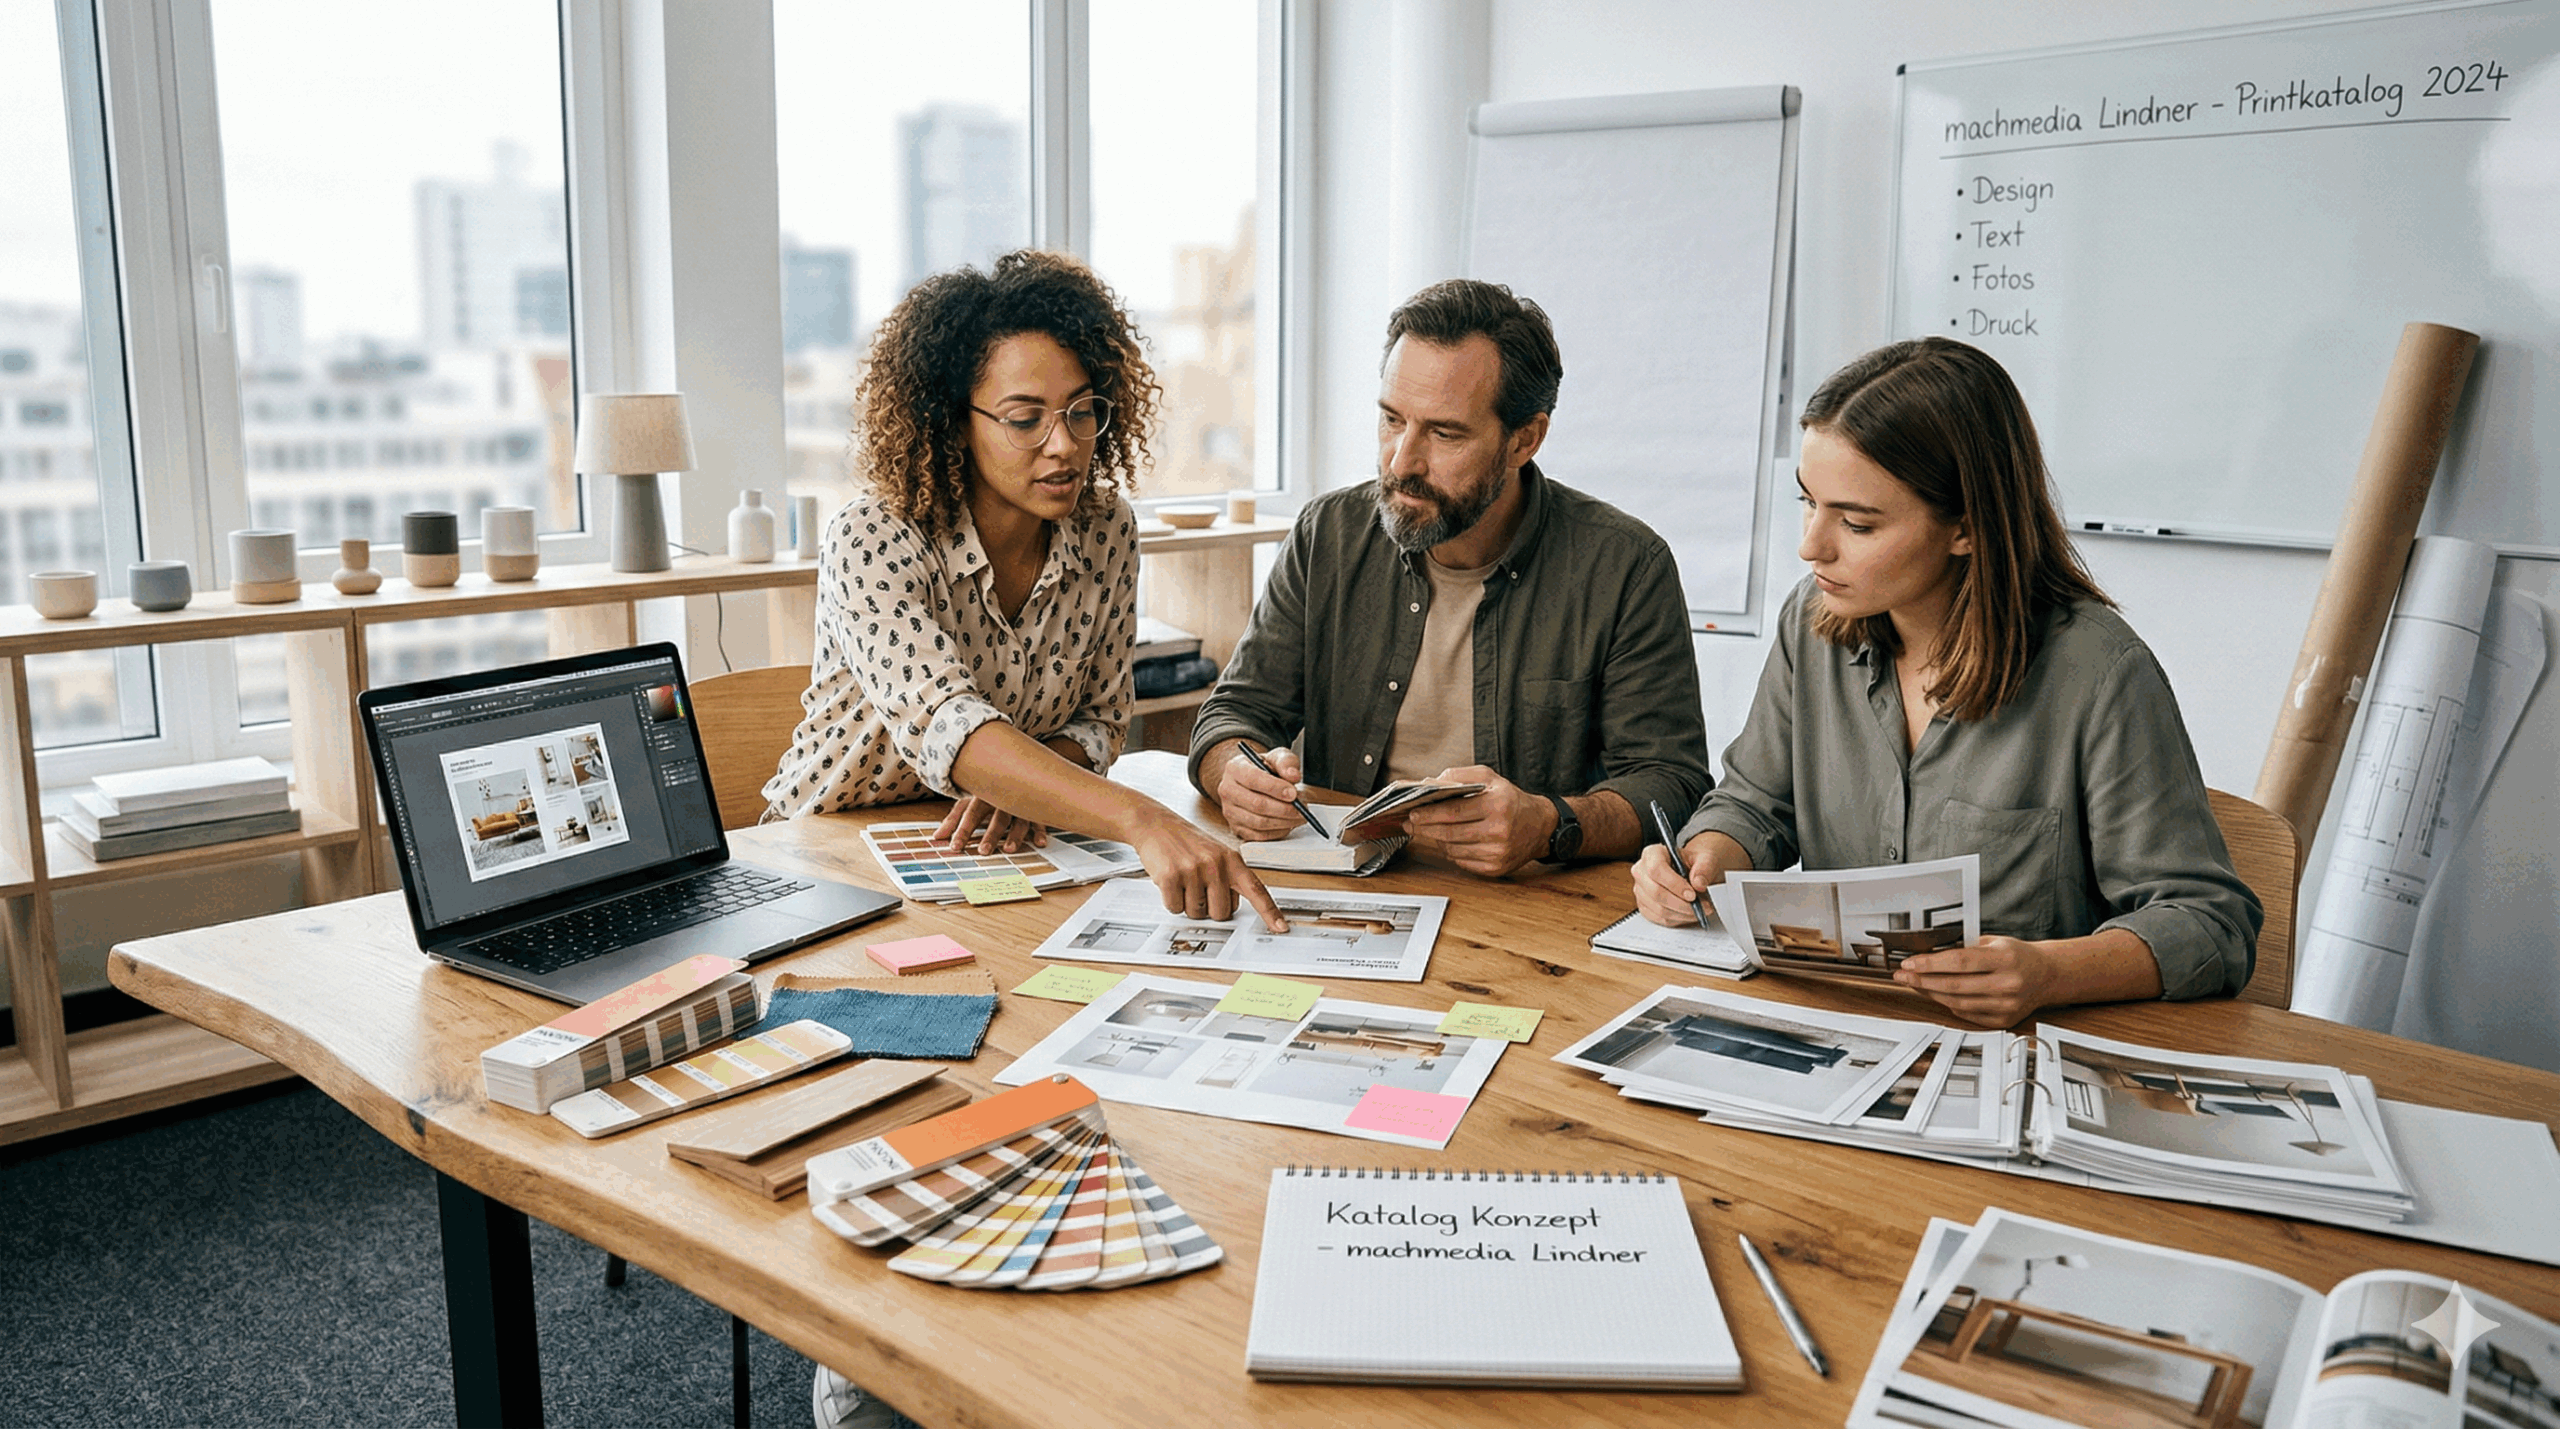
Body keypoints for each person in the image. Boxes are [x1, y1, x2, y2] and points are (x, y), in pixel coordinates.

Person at [1632, 337, 2261, 1027]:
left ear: (1965, 527)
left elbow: (2211, 923)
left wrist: (2049, 973)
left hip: (2021, 1056)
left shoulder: (2101, 676)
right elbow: (1755, 803)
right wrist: (1701, 862)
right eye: (1808, 503)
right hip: (1841, 1025)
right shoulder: (1811, 624)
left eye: (1857, 521)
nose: (1812, 544)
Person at [762, 249, 1282, 935]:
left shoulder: (1107, 530)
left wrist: (1033, 782)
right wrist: (1137, 816)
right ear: (955, 419)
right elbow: (951, 727)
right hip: (826, 862)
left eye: (1080, 411)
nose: (1062, 444)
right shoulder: (874, 536)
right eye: (1024, 417)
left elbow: (1101, 720)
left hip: (1001, 857)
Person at [1189, 279, 1712, 877]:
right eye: (1391, 420)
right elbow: (1234, 712)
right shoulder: (1327, 533)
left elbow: (1671, 782)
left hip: (1529, 910)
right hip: (1346, 886)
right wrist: (1235, 771)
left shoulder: (1625, 566)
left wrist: (1548, 822)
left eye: (1444, 434)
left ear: (1525, 439)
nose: (1401, 462)